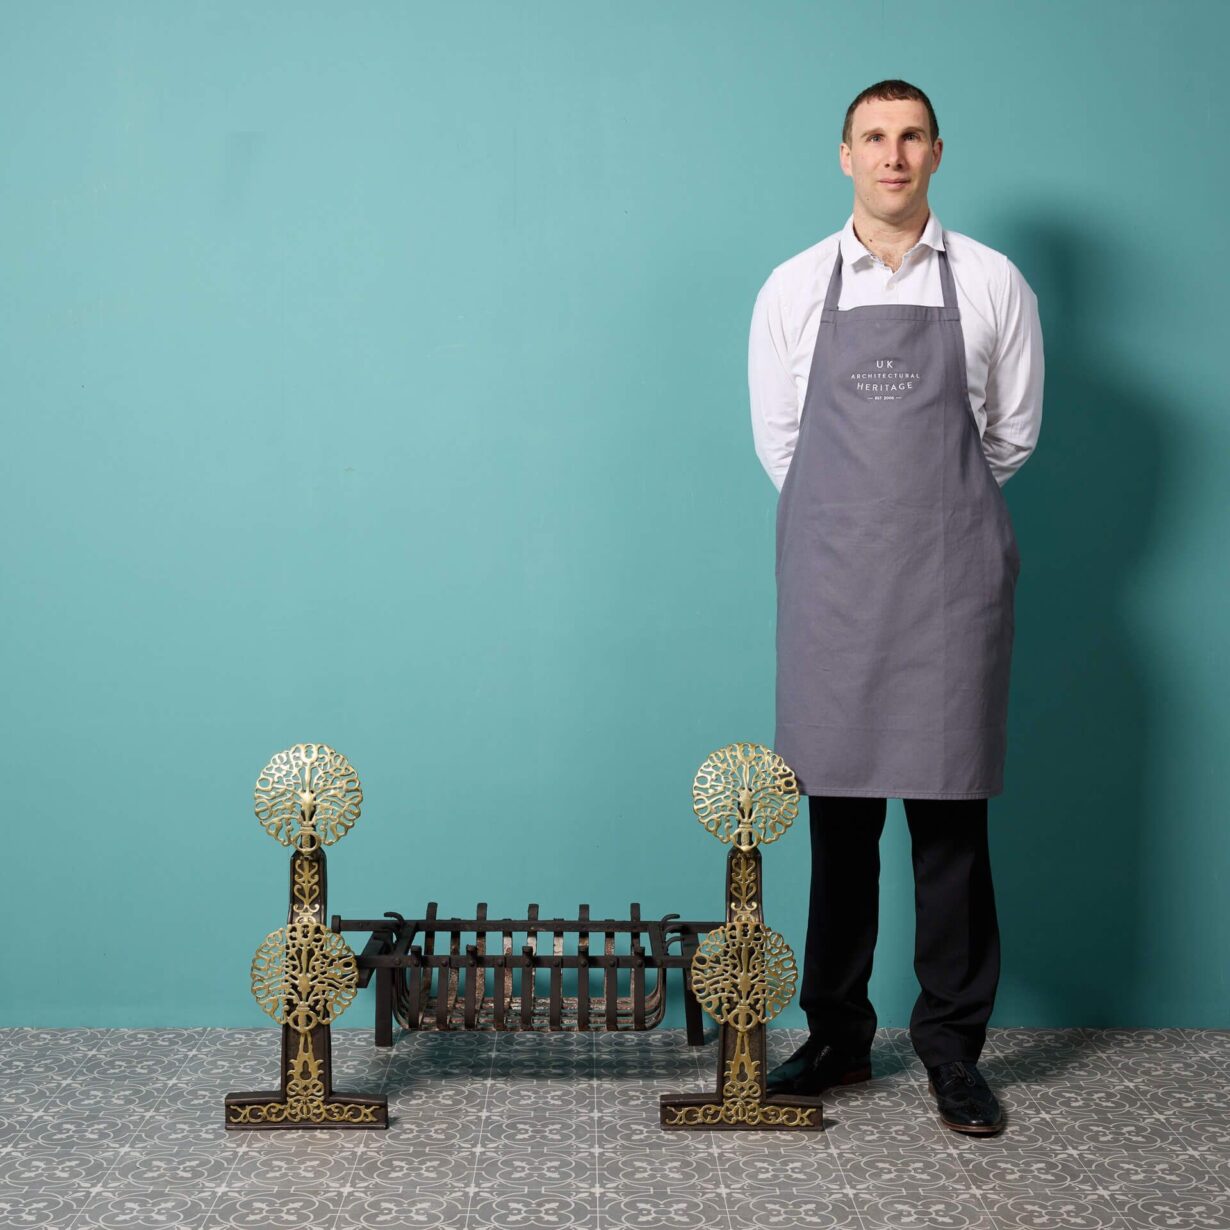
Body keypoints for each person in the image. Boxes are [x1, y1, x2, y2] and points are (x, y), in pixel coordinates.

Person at [748, 80, 1043, 1135]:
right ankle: (836, 1036)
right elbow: (782, 443)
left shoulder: (994, 281)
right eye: (874, 137)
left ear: (936, 152)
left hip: (950, 582)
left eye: (911, 136)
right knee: (838, 822)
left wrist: (934, 514)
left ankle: (953, 1051)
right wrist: (855, 523)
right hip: (836, 583)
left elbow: (1009, 436)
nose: (893, 155)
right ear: (846, 155)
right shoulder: (794, 285)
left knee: (951, 821)